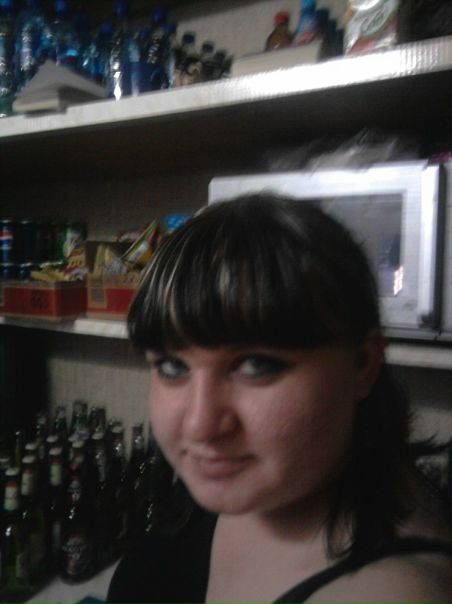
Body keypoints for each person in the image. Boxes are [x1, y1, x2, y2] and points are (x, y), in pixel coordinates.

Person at [108, 194, 452, 604]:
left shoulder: (394, 591)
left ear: (363, 362)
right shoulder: (250, 480)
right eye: (172, 366)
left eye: (257, 365)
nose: (200, 425)